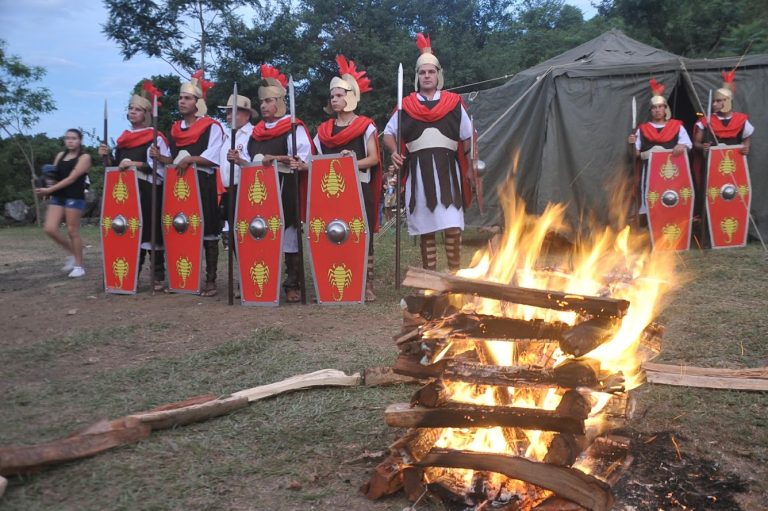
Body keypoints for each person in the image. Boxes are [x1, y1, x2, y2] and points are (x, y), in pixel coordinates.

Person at [383, 34, 473, 273]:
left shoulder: (454, 103)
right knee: (427, 227)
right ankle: (430, 278)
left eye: (430, 72)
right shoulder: (406, 105)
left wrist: (469, 164)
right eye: (422, 73)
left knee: (452, 224)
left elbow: (468, 137)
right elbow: (388, 134)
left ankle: (455, 274)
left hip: (448, 171)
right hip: (419, 171)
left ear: (438, 75)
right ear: (417, 77)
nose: (426, 76)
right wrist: (393, 151)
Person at [313, 55, 382, 302]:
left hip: (359, 187)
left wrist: (351, 162)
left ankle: (367, 284)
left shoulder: (366, 126)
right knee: (334, 233)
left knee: (360, 233)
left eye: (340, 95)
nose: (335, 99)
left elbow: (373, 158)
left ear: (351, 96)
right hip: (331, 193)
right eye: (332, 96)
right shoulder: (323, 132)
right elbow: (317, 162)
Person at [150, 70, 224, 297]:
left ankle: (210, 280)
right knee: (180, 226)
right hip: (179, 185)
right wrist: (160, 158)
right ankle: (182, 276)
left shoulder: (212, 126)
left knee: (208, 231)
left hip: (203, 182)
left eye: (187, 98)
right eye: (181, 98)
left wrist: (190, 159)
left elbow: (214, 156)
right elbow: (173, 161)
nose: (182, 101)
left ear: (198, 102)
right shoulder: (174, 129)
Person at [247, 64, 313, 304]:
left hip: (285, 186)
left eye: (269, 101)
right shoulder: (255, 132)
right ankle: (261, 281)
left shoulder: (293, 127)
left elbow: (303, 161)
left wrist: (278, 159)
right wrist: (239, 160)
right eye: (262, 102)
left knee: (289, 236)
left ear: (280, 102)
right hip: (259, 191)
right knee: (259, 233)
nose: (264, 106)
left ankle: (292, 283)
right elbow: (252, 161)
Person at [99, 87, 171, 291]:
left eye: (137, 109)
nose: (132, 112)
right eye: (130, 108)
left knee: (151, 231)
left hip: (148, 189)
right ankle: (130, 276)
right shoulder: (123, 139)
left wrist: (135, 165)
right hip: (126, 192)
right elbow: (114, 168)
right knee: (128, 231)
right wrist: (106, 156)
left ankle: (157, 275)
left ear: (146, 114)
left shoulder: (155, 136)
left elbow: (162, 166)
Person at [627, 78, 692, 217]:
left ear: (665, 109)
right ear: (651, 111)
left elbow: (688, 144)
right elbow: (636, 155)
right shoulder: (642, 129)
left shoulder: (677, 127)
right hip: (649, 173)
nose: (657, 110)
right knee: (652, 200)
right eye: (654, 108)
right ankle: (650, 229)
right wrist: (632, 144)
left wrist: (681, 145)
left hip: (672, 172)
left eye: (660, 107)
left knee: (671, 199)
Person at [35, 129, 92, 278]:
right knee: (49, 228)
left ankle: (79, 266)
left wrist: (49, 190)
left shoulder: (84, 157)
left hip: (74, 196)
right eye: (67, 138)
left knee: (72, 230)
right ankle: (74, 253)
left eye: (73, 138)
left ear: (80, 140)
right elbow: (54, 175)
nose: (70, 141)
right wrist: (46, 183)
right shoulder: (61, 155)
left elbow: (71, 179)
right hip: (58, 196)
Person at [217, 94, 257, 249]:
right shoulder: (227, 136)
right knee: (234, 238)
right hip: (228, 190)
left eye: (234, 112)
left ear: (247, 115)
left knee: (246, 235)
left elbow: (257, 166)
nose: (229, 116)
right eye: (227, 113)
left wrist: (240, 161)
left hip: (245, 190)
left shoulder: (253, 135)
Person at [693, 70, 754, 156]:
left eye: (718, 101)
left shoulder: (741, 120)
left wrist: (746, 147)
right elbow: (696, 143)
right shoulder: (704, 121)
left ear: (727, 101)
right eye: (714, 101)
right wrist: (703, 146)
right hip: (713, 160)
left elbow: (746, 139)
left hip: (735, 159)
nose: (714, 104)